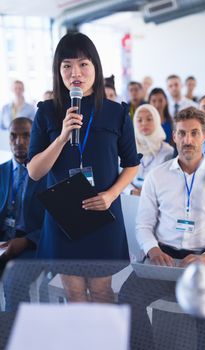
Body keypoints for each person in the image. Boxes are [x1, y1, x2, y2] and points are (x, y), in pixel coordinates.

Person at [119, 107, 205, 350]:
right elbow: (144, 224)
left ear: (204, 136)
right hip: (164, 258)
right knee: (127, 298)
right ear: (174, 137)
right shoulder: (157, 176)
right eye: (182, 133)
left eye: (194, 133)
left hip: (203, 260)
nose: (188, 140)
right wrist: (152, 250)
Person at [27, 32, 140, 261]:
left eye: (83, 64)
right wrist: (61, 138)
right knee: (73, 292)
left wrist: (111, 195)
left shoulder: (116, 112)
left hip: (103, 210)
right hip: (64, 217)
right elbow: (34, 171)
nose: (75, 73)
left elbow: (131, 165)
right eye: (66, 65)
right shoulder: (47, 111)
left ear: (95, 67)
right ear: (58, 72)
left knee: (102, 292)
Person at [0, 117, 46, 310]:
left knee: (14, 281)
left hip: (33, 245)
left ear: (34, 136)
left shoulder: (47, 172)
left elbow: (55, 222)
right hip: (3, 243)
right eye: (13, 136)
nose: (19, 142)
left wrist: (27, 241)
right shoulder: (1, 172)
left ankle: (16, 336)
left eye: (26, 135)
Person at [125, 104, 174, 196]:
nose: (144, 123)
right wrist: (131, 191)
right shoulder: (128, 149)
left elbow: (170, 181)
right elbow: (119, 176)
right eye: (139, 120)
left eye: (149, 119)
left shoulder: (168, 152)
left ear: (156, 121)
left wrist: (148, 192)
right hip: (130, 199)